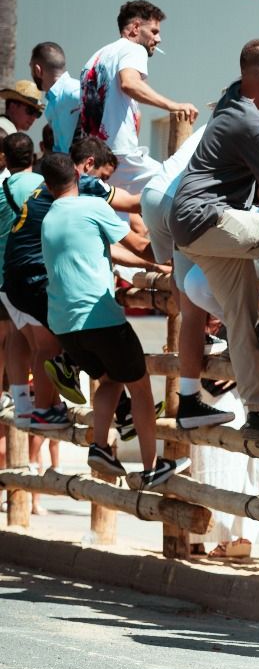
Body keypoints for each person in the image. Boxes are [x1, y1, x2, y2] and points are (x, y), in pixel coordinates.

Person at [35, 152, 184, 488]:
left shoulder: (48, 218)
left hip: (65, 326)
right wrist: (172, 259)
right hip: (101, 317)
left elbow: (103, 249)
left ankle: (100, 446)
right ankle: (151, 467)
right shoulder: (93, 206)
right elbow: (137, 244)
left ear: (47, 185)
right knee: (142, 389)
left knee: (110, 381)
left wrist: (153, 266)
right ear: (77, 172)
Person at [170, 39, 259, 433]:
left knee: (240, 316)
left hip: (189, 226)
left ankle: (258, 409)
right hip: (208, 219)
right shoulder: (255, 125)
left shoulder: (232, 99)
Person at [3, 138, 144, 430]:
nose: (105, 183)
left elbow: (107, 248)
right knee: (74, 335)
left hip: (15, 278)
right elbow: (135, 203)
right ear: (89, 165)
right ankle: (52, 403)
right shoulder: (85, 188)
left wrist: (147, 263)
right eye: (105, 175)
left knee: (62, 337)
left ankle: (122, 407)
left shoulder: (52, 190)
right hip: (32, 277)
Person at [79, 0, 199, 194]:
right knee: (177, 187)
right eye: (154, 31)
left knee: (120, 219)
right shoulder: (133, 49)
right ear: (135, 28)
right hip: (119, 156)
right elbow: (130, 83)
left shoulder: (97, 56)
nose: (158, 39)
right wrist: (174, 106)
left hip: (92, 157)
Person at [0, 133, 42, 427]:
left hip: (3, 279)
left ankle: (21, 400)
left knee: (15, 336)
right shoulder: (44, 187)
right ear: (33, 157)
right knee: (40, 342)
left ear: (5, 159)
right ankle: (44, 402)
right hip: (32, 276)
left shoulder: (1, 191)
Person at [30, 42, 80, 153]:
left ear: (38, 70)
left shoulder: (76, 93)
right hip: (67, 167)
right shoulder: (50, 105)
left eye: (31, 69)